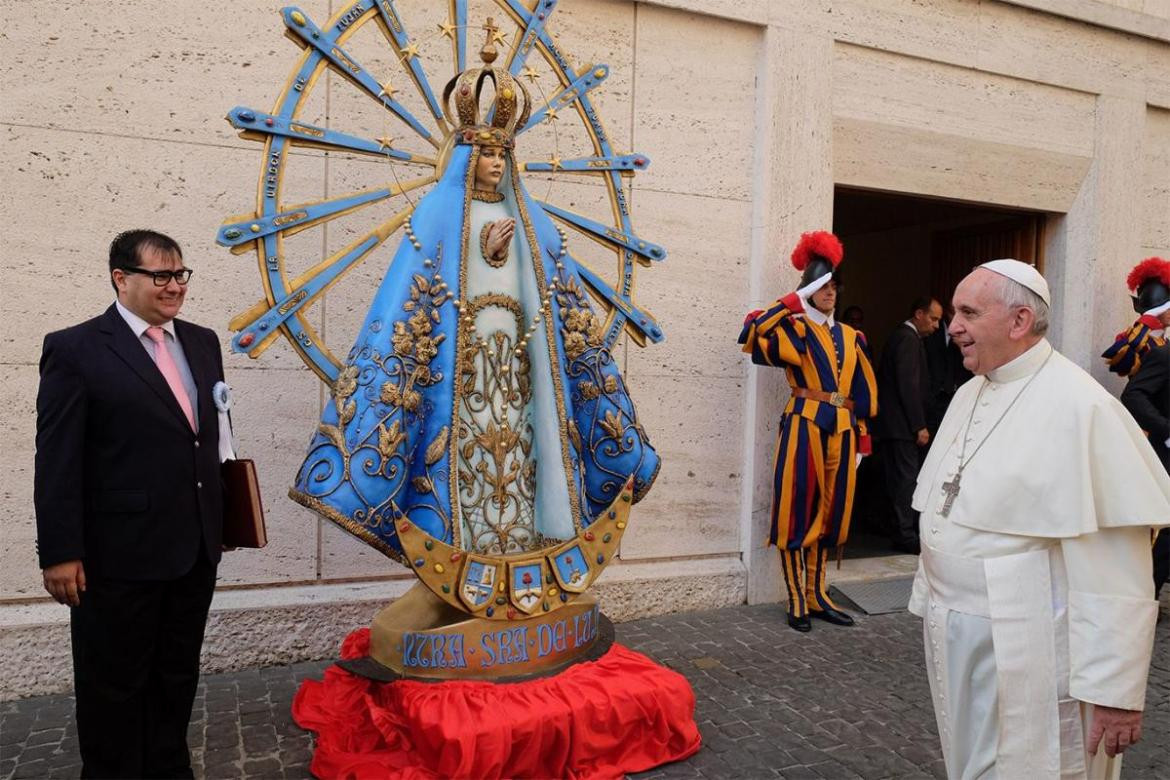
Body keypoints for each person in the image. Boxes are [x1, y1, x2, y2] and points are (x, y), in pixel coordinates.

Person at [290, 28, 659, 562]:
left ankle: (527, 556)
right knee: (461, 472)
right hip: (457, 378)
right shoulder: (438, 217)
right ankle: (461, 558)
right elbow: (414, 299)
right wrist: (480, 250)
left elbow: (558, 301)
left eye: (501, 155)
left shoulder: (534, 225)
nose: (495, 163)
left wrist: (517, 258)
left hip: (522, 377)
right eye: (485, 154)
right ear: (465, 158)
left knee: (526, 467)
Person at [909, 259, 1170, 778]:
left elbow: (1118, 565)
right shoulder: (969, 391)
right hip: (955, 631)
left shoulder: (1081, 406)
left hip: (1029, 640)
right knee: (970, 763)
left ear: (1019, 321)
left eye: (968, 312)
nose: (953, 326)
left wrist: (1115, 691)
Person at [35, 230, 227, 778]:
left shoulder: (202, 341)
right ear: (121, 278)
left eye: (180, 275)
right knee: (114, 687)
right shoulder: (75, 348)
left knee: (175, 676)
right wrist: (60, 551)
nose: (174, 287)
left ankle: (168, 768)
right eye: (160, 276)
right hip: (116, 557)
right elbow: (57, 456)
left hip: (193, 549)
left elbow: (209, 437)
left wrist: (223, 511)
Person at [739, 231, 878, 632]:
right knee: (797, 506)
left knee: (832, 512)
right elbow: (751, 333)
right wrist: (793, 302)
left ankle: (819, 594)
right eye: (821, 287)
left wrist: (862, 441)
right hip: (804, 424)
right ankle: (796, 598)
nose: (830, 293)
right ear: (808, 291)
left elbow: (864, 392)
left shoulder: (854, 337)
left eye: (834, 286)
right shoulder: (794, 329)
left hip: (844, 430)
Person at [874, 297, 942, 554]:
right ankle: (904, 535)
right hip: (902, 427)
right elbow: (908, 385)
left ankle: (899, 530)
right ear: (919, 314)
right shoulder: (907, 338)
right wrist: (918, 425)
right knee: (905, 480)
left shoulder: (908, 338)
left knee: (899, 479)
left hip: (898, 427)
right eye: (933, 318)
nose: (936, 326)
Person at [1120, 341, 1170, 598]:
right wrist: (1166, 430)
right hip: (1167, 458)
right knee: (1164, 539)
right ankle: (1145, 599)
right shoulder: (1164, 355)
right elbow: (1133, 395)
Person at [1101, 256, 1170, 377]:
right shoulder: (1137, 338)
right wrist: (1147, 321)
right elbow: (1122, 364)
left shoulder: (1165, 342)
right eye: (1166, 308)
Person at [923, 305, 972, 436]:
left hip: (958, 396)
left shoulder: (969, 332)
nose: (956, 318)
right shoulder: (932, 331)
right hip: (934, 397)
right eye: (953, 313)